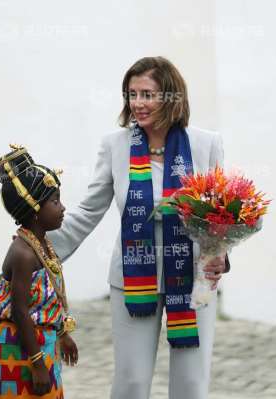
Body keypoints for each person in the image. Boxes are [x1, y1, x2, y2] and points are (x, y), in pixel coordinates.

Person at [48, 56, 230, 399]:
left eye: (147, 94)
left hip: (195, 278)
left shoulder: (206, 144)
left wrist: (220, 254)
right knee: (131, 382)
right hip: (132, 278)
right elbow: (89, 210)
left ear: (171, 97)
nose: (137, 104)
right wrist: (39, 245)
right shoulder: (114, 145)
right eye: (132, 94)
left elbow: (222, 214)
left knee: (191, 385)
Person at [0, 145, 78, 398]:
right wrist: (37, 364)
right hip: (18, 351)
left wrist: (62, 334)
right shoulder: (23, 253)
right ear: (35, 210)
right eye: (55, 201)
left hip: (42, 345)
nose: (63, 207)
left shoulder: (41, 244)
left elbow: (47, 298)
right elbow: (21, 311)